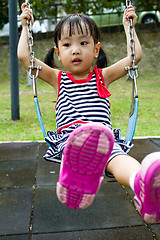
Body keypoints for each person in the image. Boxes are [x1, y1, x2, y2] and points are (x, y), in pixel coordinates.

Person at [18, 3, 160, 223]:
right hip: (71, 139)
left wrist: (128, 27)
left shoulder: (102, 76)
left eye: (83, 43)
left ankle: (142, 185)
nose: (75, 49)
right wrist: (25, 27)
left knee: (120, 158)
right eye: (67, 44)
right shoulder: (58, 78)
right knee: (82, 145)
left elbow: (134, 58)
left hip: (103, 139)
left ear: (96, 50)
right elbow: (25, 58)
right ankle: (77, 175)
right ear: (58, 52)